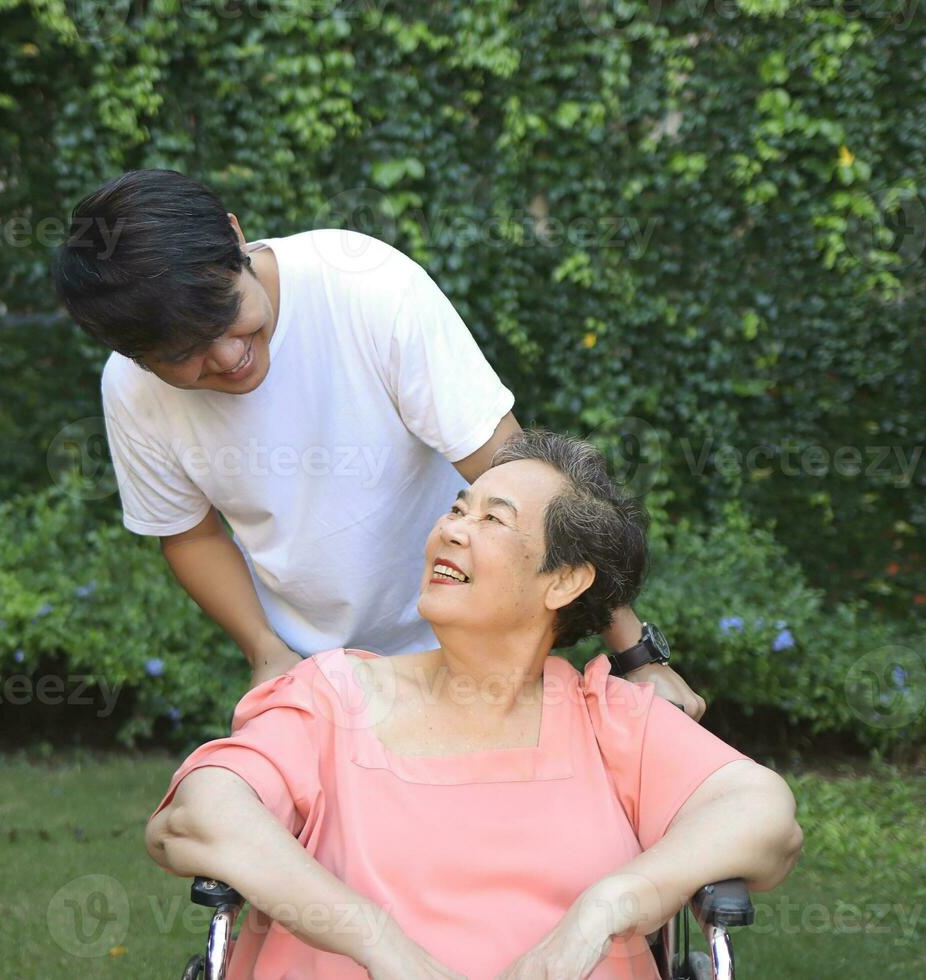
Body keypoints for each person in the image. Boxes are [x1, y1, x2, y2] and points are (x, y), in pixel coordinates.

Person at [144, 430, 802, 980]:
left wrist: (606, 907)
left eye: (492, 520)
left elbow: (762, 815)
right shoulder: (331, 698)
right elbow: (200, 815)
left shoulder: (610, 719)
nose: (453, 531)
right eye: (457, 510)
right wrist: (379, 943)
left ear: (564, 580)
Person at [52, 169, 704, 716]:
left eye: (228, 316)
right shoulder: (132, 391)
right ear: (133, 357)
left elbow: (523, 484)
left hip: (483, 647)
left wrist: (634, 653)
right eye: (184, 355)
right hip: (325, 679)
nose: (228, 358)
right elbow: (191, 534)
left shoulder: (363, 288)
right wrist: (266, 653)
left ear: (234, 236)